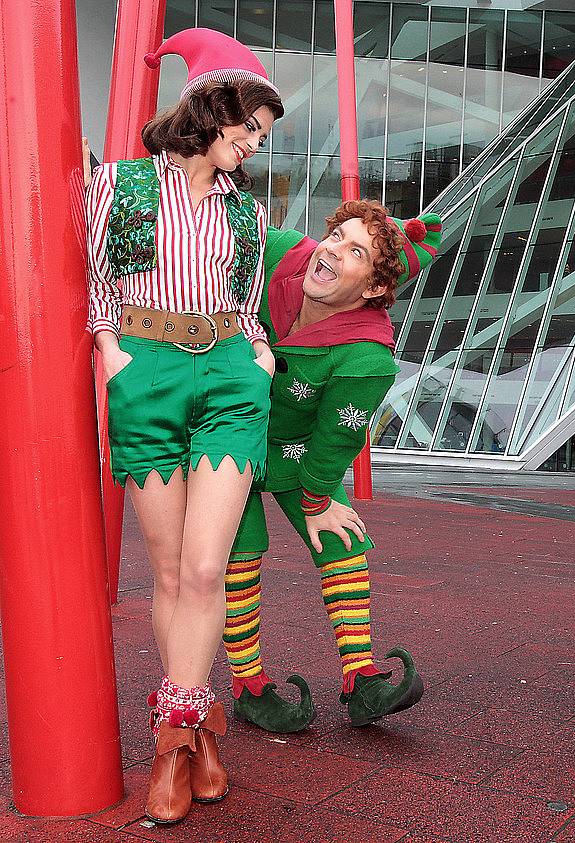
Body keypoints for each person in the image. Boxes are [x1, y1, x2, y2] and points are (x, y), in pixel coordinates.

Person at [85, 28, 283, 825]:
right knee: (168, 575)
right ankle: (199, 737)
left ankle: (172, 741)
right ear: (217, 109)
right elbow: (96, 280)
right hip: (146, 368)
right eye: (254, 128)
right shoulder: (122, 185)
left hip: (232, 373)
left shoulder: (250, 214)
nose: (257, 144)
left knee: (205, 572)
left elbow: (246, 306)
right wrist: (112, 356)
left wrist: (261, 358)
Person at [220, 202, 440, 733]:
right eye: (337, 235)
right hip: (225, 435)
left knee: (341, 540)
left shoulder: (367, 356)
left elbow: (337, 437)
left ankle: (360, 677)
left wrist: (319, 501)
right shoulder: (277, 251)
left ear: (371, 289)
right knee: (238, 551)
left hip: (298, 451)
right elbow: (216, 221)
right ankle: (249, 683)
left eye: (355, 251)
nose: (333, 250)